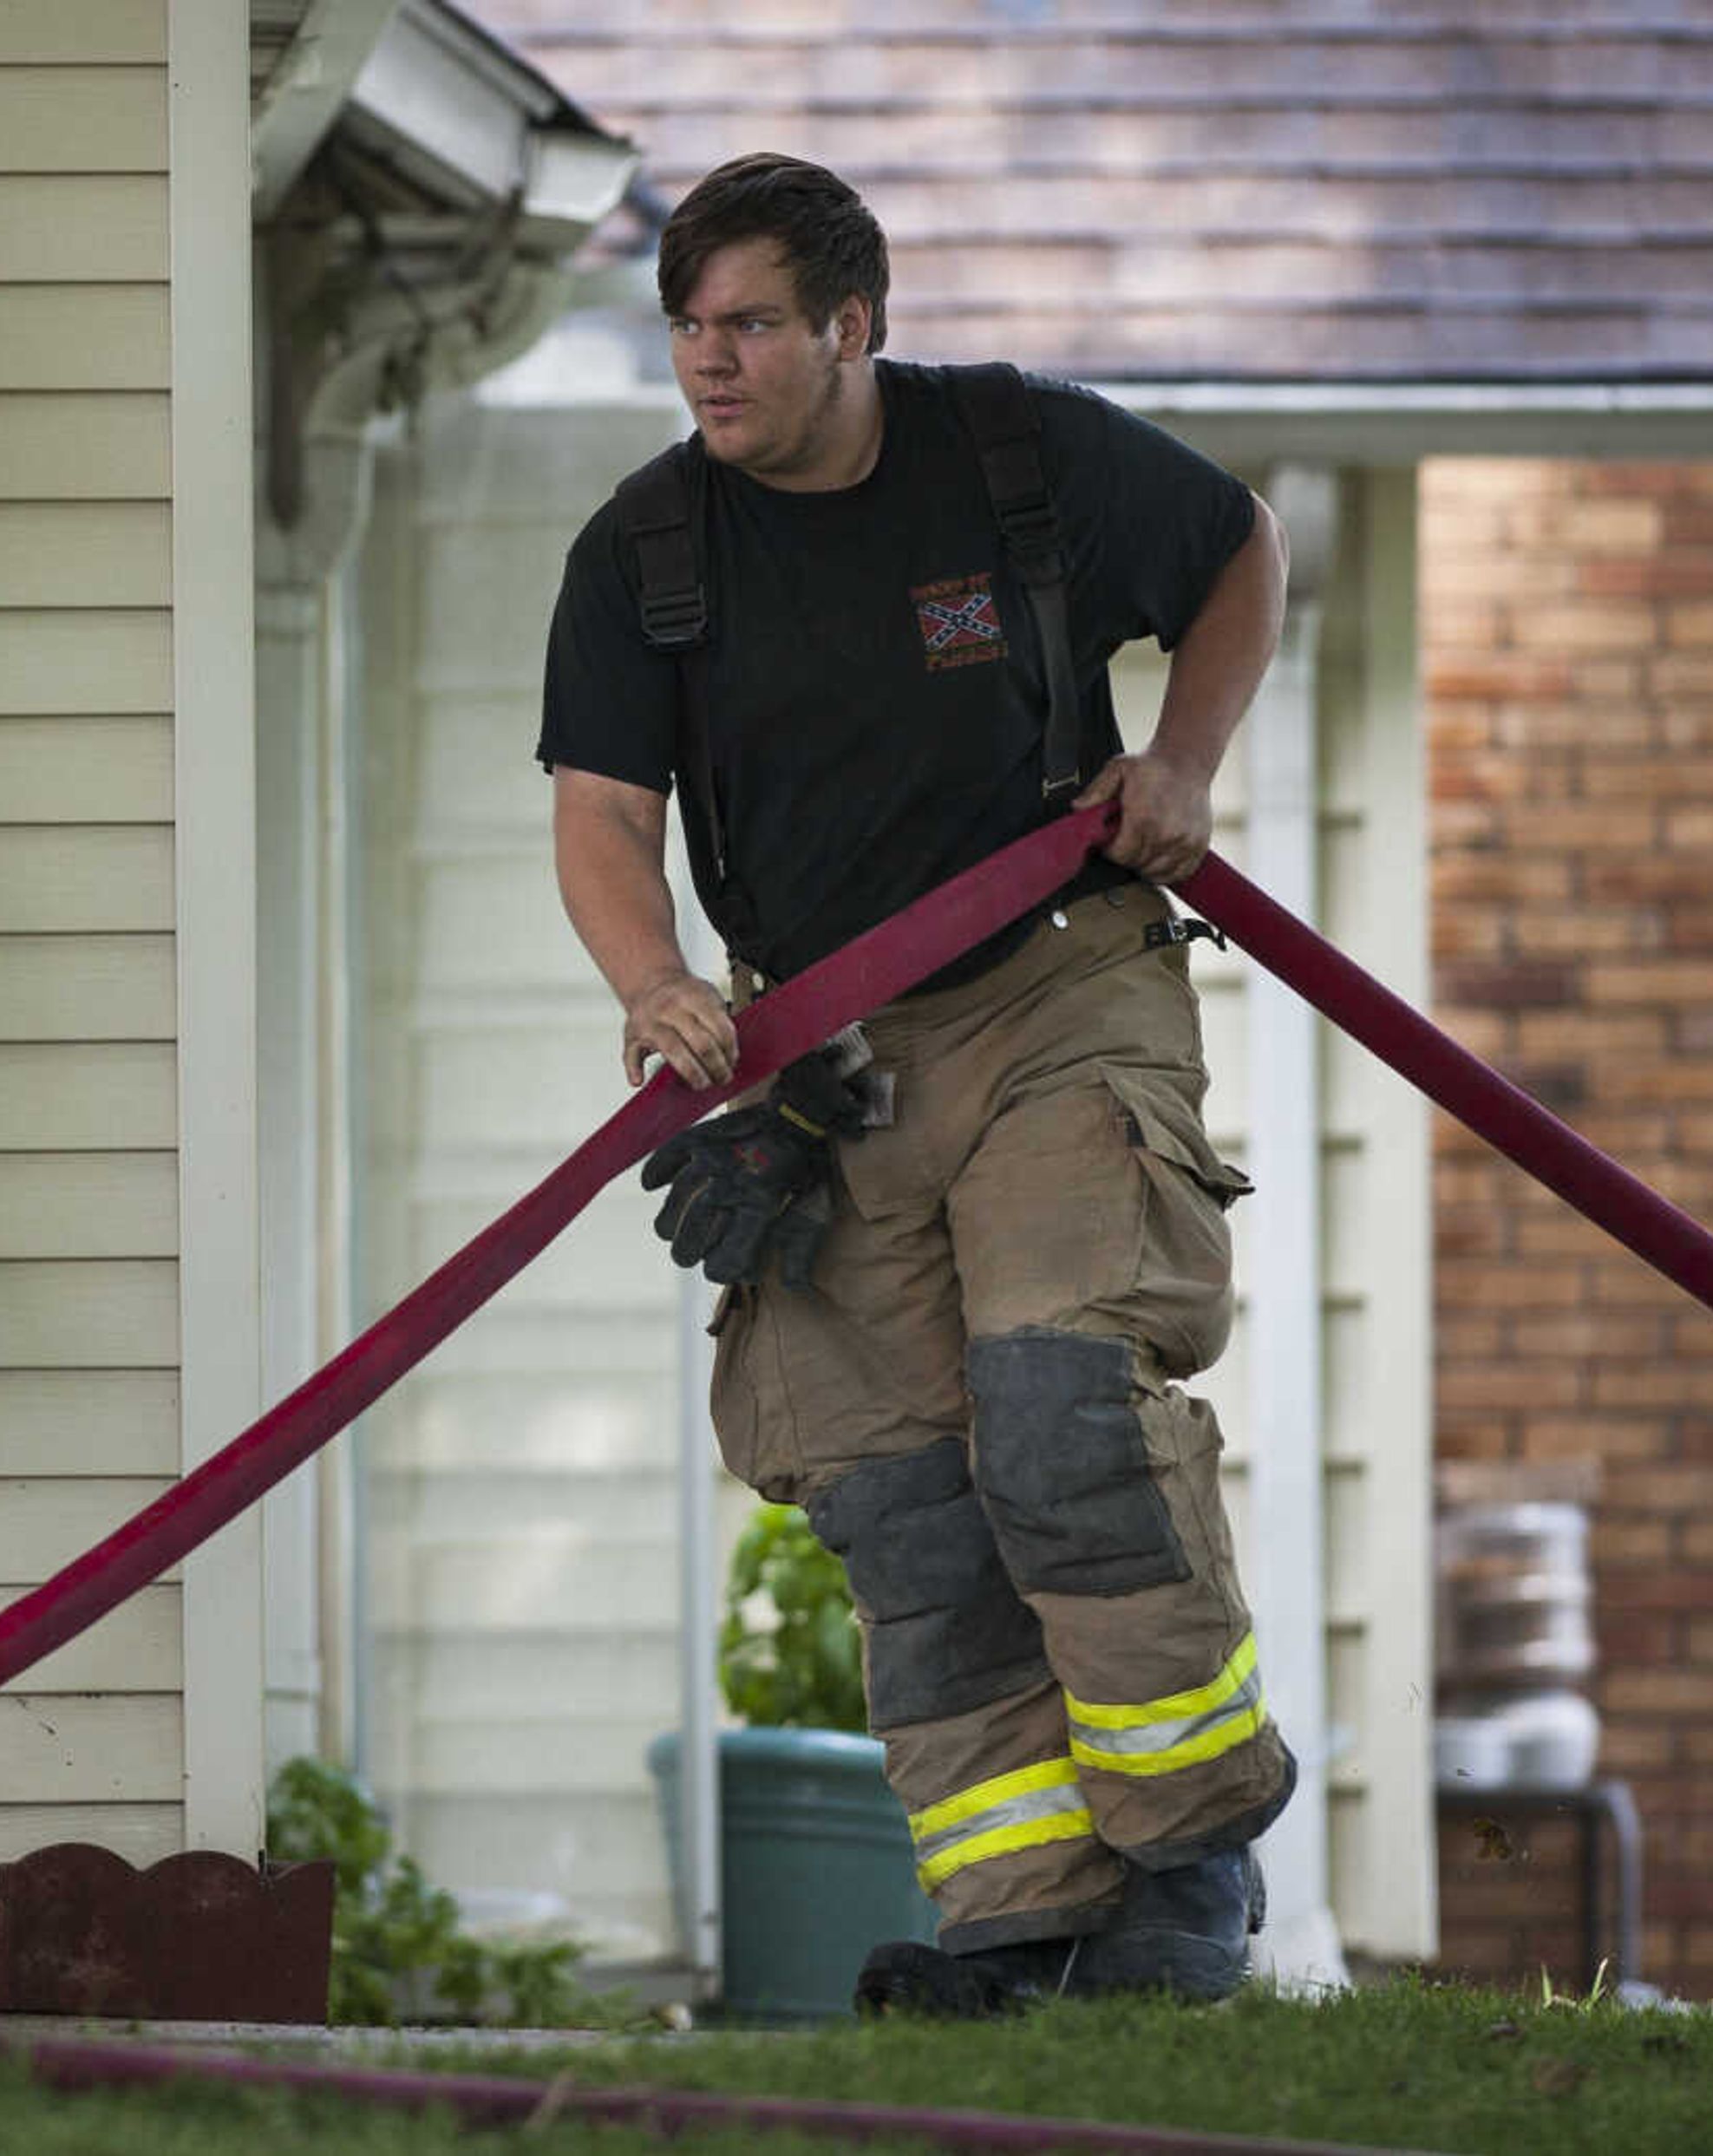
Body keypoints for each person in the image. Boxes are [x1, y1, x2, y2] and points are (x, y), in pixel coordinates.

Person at [537, 153, 1296, 2016]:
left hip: (1056, 992)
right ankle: (1027, 1919)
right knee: (901, 1502)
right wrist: (656, 986)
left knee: (1056, 1412)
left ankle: (1187, 1878)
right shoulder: (648, 554)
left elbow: (1239, 554)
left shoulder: (1016, 458)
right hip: (827, 1061)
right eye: (687, 330)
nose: (707, 364)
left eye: (750, 327)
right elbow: (604, 818)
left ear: (852, 328)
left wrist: (1181, 762)